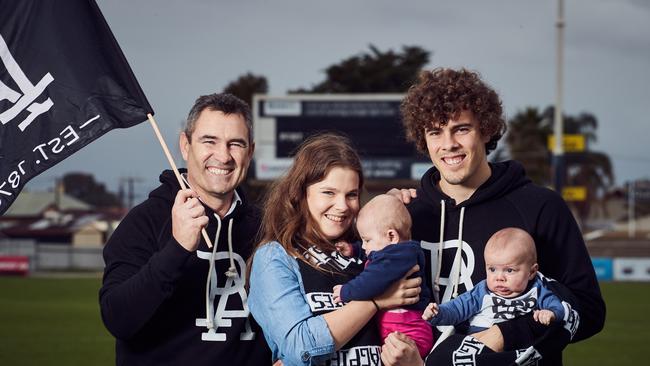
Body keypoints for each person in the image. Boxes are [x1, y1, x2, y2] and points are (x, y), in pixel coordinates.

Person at [385, 67, 605, 365]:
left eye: (461, 129)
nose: (448, 144)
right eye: (435, 132)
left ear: (486, 129)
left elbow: (589, 312)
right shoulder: (407, 213)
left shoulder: (540, 206)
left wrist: (504, 334)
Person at [99, 93, 272, 365]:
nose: (223, 156)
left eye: (235, 144)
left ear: (249, 153)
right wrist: (177, 249)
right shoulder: (145, 220)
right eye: (209, 141)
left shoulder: (268, 227)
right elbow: (118, 319)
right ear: (185, 145)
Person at [247, 133, 422, 366]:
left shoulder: (366, 251)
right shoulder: (276, 257)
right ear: (301, 193)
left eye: (351, 195)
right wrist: (375, 301)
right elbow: (301, 348)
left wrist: (388, 207)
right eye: (328, 192)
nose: (342, 206)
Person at [332, 194, 433, 358]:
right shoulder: (394, 253)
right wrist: (354, 250)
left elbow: (372, 281)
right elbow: (375, 255)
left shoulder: (398, 256)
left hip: (410, 332)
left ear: (392, 236)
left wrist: (347, 291)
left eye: (366, 240)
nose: (364, 246)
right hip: (397, 327)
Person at [423, 227, 566, 335]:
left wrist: (550, 313)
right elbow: (457, 309)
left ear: (532, 272)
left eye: (509, 270)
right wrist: (438, 313)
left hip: (518, 348)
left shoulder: (537, 289)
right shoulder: (481, 292)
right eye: (492, 269)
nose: (499, 278)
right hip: (480, 342)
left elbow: (558, 307)